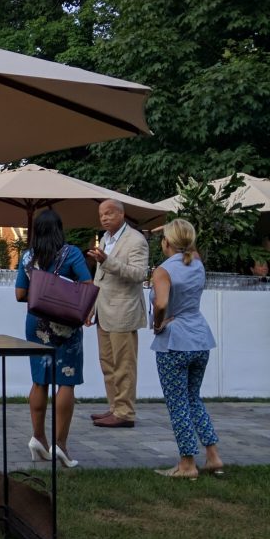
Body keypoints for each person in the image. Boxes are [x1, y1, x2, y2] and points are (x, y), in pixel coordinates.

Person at [15, 209, 92, 468]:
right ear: (60, 229)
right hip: (66, 325)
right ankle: (61, 445)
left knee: (39, 381)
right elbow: (86, 285)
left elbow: (19, 293)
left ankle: (38, 438)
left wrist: (41, 296)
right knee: (66, 382)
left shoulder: (27, 256)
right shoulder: (72, 253)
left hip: (36, 324)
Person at [150, 219, 225, 479]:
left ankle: (187, 464)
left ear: (166, 243)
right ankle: (213, 456)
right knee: (194, 398)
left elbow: (160, 304)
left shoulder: (163, 270)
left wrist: (157, 325)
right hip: (200, 338)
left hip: (174, 342)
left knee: (178, 403)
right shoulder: (197, 264)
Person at [87, 199, 149, 428]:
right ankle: (115, 407)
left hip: (123, 311)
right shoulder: (105, 239)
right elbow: (99, 278)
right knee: (108, 363)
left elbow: (139, 273)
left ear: (122, 214)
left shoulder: (136, 240)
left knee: (124, 365)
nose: (103, 218)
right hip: (103, 311)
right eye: (101, 214)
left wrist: (108, 261)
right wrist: (90, 307)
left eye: (109, 213)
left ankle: (125, 412)